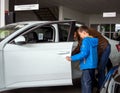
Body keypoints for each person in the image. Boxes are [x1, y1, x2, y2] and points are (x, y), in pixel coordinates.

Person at [66, 26, 98, 93]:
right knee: (87, 82)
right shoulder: (93, 40)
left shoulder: (86, 41)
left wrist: (71, 58)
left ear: (84, 32)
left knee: (86, 83)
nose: (80, 36)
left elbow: (84, 54)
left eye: (80, 34)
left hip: (87, 64)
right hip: (92, 65)